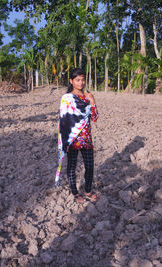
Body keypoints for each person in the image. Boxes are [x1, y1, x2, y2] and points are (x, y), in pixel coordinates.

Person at [55, 68, 99, 203]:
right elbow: (64, 121)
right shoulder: (67, 98)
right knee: (72, 166)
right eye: (77, 80)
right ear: (71, 81)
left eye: (83, 79)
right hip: (72, 138)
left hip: (86, 138)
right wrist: (64, 141)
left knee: (90, 166)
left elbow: (95, 118)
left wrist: (92, 101)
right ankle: (75, 192)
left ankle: (87, 190)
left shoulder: (87, 97)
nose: (81, 83)